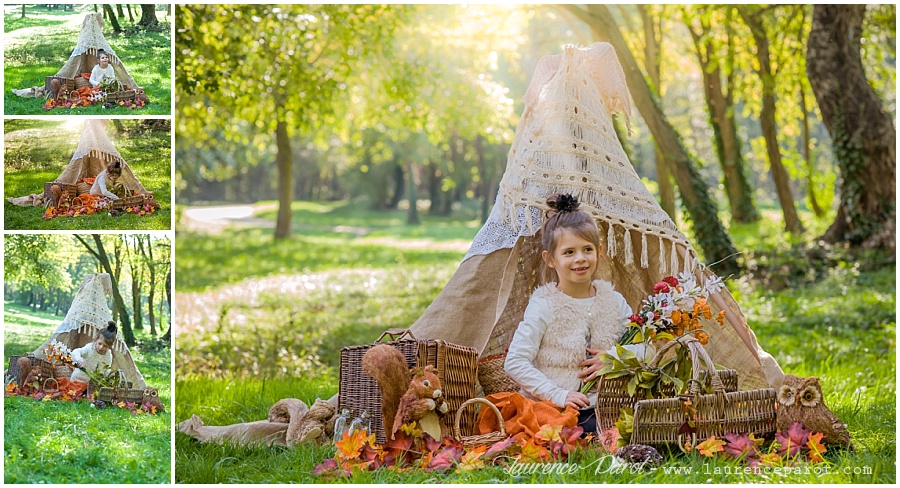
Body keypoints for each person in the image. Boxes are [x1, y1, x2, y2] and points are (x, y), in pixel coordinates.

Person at [504, 193, 632, 435]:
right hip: (558, 407)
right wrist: (559, 395)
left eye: (587, 249)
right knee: (585, 431)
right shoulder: (544, 304)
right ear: (550, 259)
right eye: (569, 252)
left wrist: (615, 357)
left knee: (635, 425)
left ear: (599, 251)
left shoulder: (613, 300)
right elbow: (515, 362)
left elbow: (646, 346)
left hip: (610, 404)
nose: (580, 259)